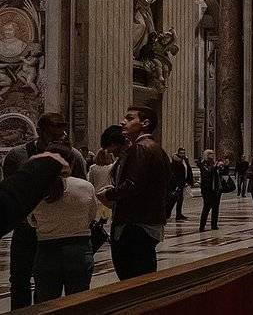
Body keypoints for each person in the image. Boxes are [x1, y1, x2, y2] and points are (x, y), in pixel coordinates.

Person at [2, 112, 87, 308]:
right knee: (20, 279)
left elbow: (81, 189)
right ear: (39, 132)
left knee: (48, 284)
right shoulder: (18, 155)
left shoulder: (73, 155)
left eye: (62, 135)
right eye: (53, 135)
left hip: (55, 232)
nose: (59, 139)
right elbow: (10, 192)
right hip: (26, 229)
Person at [100, 105, 171, 280]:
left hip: (134, 225)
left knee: (131, 279)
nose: (123, 122)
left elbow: (132, 185)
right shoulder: (155, 148)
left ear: (145, 123)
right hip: (147, 222)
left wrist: (108, 195)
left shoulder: (141, 148)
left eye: (130, 118)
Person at [30, 168, 97, 301]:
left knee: (47, 304)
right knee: (78, 302)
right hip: (79, 249)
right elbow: (92, 216)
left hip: (47, 249)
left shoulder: (35, 189)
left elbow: (32, 221)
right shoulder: (85, 186)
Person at [198, 149, 224, 232]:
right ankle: (202, 226)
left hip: (216, 189)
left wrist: (223, 167)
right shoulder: (203, 163)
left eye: (213, 153)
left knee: (216, 208)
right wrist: (215, 167)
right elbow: (207, 173)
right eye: (210, 154)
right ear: (207, 155)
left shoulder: (213, 163)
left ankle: (214, 224)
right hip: (207, 189)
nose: (213, 155)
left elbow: (219, 174)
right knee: (206, 207)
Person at [169, 147, 194, 221]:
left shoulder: (185, 160)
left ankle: (179, 214)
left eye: (184, 153)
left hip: (183, 182)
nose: (183, 154)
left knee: (180, 199)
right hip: (177, 183)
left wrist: (189, 181)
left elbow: (188, 170)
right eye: (181, 153)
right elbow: (175, 174)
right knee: (174, 199)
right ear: (178, 153)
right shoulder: (175, 161)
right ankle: (168, 212)